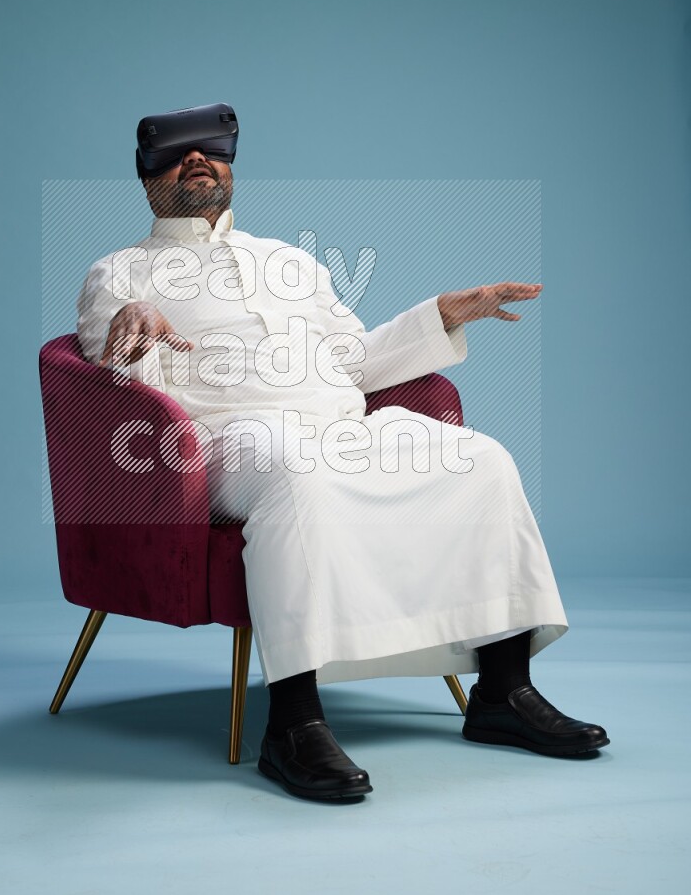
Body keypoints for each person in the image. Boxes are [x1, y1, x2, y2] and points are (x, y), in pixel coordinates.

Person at [76, 110, 609, 802]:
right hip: (226, 440)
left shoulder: (290, 262)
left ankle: (504, 691)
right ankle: (293, 725)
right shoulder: (118, 271)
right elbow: (109, 377)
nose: (198, 160)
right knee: (296, 472)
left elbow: (354, 361)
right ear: (148, 178)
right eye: (177, 155)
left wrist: (441, 314)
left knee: (481, 460)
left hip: (339, 425)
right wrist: (131, 327)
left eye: (212, 150)